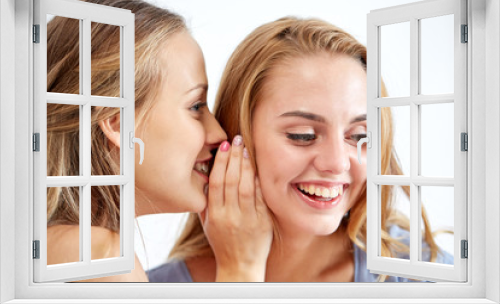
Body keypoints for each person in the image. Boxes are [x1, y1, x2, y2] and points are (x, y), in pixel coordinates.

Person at [148, 17, 452, 283]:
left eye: (360, 136)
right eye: (302, 135)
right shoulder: (153, 290)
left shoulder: (424, 277)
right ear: (236, 135)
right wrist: (240, 274)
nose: (336, 163)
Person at [46, 0, 270, 282]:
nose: (218, 134)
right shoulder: (101, 259)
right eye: (196, 106)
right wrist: (241, 268)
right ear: (118, 122)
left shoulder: (66, 248)